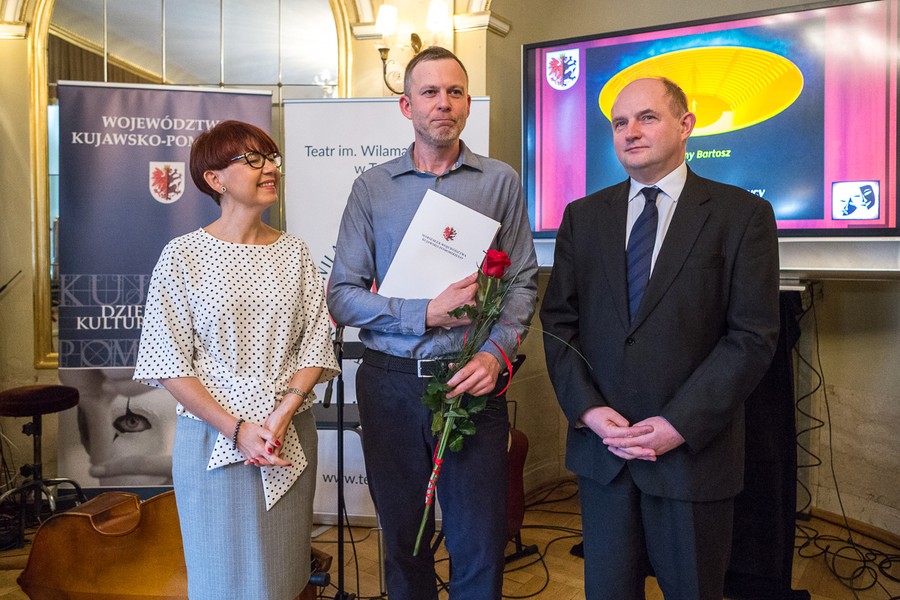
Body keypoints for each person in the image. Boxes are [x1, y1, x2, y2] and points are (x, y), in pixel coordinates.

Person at [540, 77, 780, 600]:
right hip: (604, 454)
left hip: (692, 457)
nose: (630, 132)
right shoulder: (583, 217)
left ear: (686, 124)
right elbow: (558, 323)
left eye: (646, 117)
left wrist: (679, 424)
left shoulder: (741, 215)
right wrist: (587, 410)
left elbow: (751, 336)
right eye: (619, 123)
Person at [327, 46, 538, 600]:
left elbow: (522, 283)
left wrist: (495, 353)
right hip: (390, 383)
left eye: (454, 92)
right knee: (403, 542)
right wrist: (421, 312)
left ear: (467, 103)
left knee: (481, 543)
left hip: (471, 382)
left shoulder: (500, 182)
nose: (443, 102)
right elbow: (342, 297)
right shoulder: (372, 188)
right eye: (429, 92)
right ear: (407, 106)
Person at [133, 120, 340, 600]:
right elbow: (168, 361)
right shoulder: (183, 255)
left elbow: (315, 342)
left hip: (286, 434)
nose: (270, 169)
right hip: (212, 436)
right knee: (219, 577)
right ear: (215, 178)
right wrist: (238, 429)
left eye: (272, 158)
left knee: (282, 575)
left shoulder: (294, 252)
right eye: (253, 160)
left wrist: (282, 412)